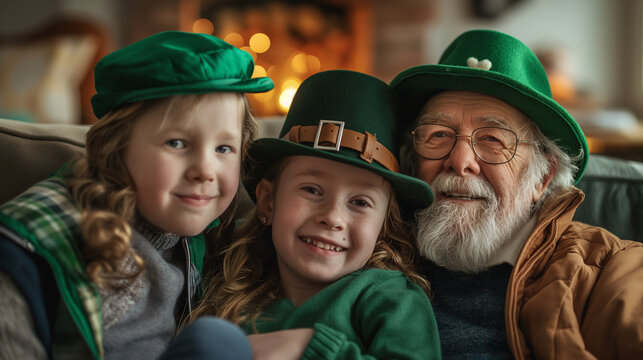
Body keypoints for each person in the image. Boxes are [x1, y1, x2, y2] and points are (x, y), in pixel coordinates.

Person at [0, 31, 273, 360]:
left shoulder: (208, 233)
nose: (205, 170)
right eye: (176, 143)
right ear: (116, 146)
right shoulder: (31, 250)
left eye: (224, 148)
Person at [390, 29, 643, 359]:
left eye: (494, 139)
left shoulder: (610, 270)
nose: (459, 161)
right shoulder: (368, 251)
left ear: (542, 177)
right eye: (438, 134)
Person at [189, 70, 442, 359]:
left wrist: (306, 347)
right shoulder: (227, 281)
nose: (332, 217)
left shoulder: (391, 299)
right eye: (311, 190)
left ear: (383, 226)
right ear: (268, 202)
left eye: (360, 202)